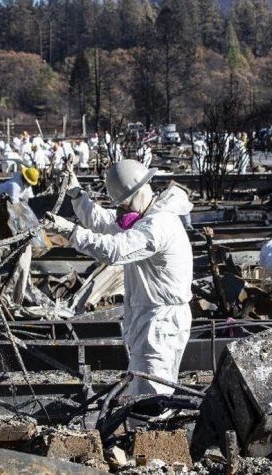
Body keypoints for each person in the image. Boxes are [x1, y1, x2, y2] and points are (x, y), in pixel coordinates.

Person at [44, 160, 193, 396]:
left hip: (161, 323)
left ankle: (155, 432)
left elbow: (115, 250)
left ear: (141, 191)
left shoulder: (158, 225)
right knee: (142, 390)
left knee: (151, 396)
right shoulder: (145, 216)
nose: (122, 213)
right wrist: (76, 194)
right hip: (149, 317)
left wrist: (70, 232)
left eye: (124, 205)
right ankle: (148, 429)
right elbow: (103, 222)